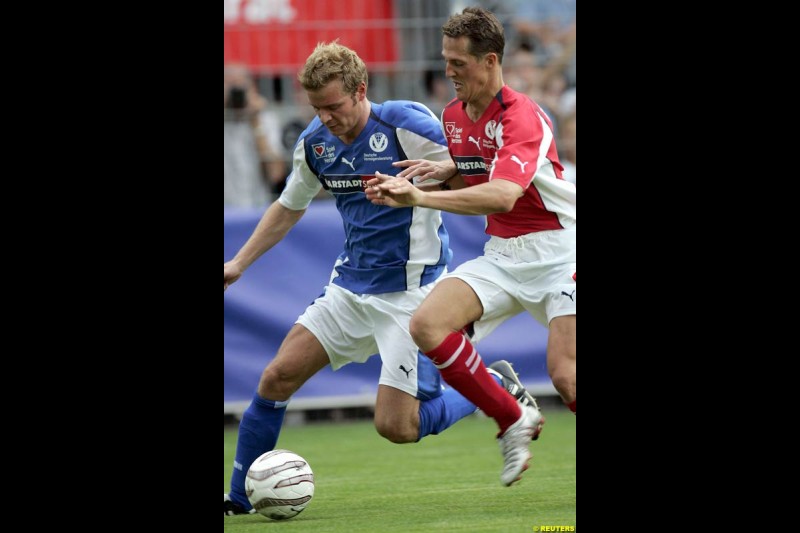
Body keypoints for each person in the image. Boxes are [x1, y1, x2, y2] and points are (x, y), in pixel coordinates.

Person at [223, 41, 539, 516]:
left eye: (333, 106)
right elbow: (289, 207)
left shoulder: (405, 124)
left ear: (360, 90)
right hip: (349, 290)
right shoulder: (315, 143)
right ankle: (239, 498)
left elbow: (471, 177)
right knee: (276, 377)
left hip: (414, 296)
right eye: (316, 108)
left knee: (397, 427)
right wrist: (238, 264)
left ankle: (492, 387)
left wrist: (426, 186)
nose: (325, 117)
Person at [366, 6, 575, 486]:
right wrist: (440, 175)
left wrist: (421, 196)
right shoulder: (454, 114)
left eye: (458, 63)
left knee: (566, 376)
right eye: (446, 60)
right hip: (503, 253)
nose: (448, 72)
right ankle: (511, 416)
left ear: (490, 61)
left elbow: (504, 191)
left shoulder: (523, 116)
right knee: (428, 325)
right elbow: (477, 171)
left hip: (562, 252)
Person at [224, 63, 287, 207]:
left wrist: (256, 122)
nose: (235, 93)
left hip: (256, 207)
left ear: (252, 88)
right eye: (229, 85)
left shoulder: (265, 119)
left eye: (240, 86)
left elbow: (275, 174)